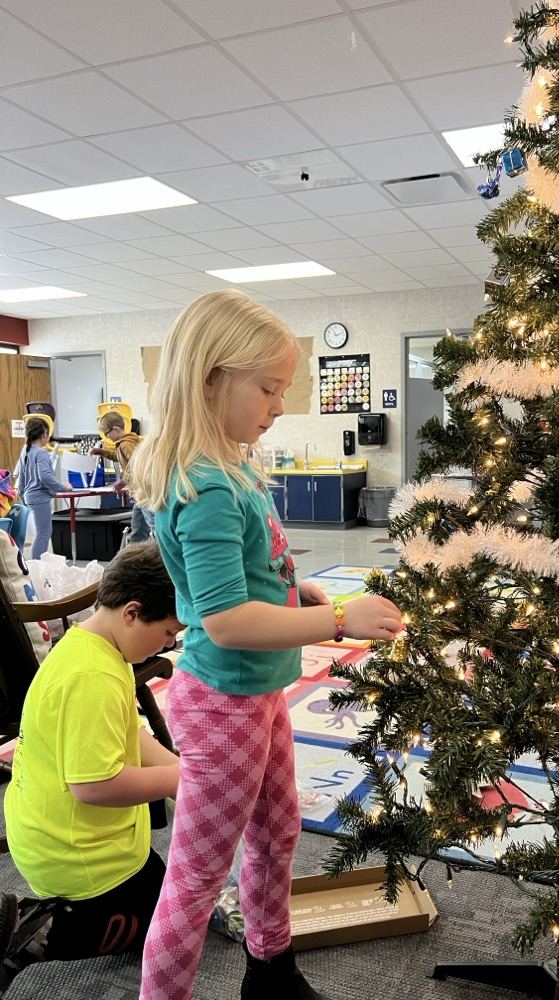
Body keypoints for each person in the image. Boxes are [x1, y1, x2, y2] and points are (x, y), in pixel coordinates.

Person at [128, 289, 403, 1000]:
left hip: (259, 695)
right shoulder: (211, 485)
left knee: (279, 833)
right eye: (269, 387)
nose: (280, 404)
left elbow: (258, 575)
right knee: (195, 877)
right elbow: (225, 621)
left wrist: (301, 592)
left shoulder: (238, 465)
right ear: (211, 378)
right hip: (222, 705)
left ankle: (270, 969)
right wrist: (338, 619)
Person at [0, 541, 182, 994]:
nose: (171, 644)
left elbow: (130, 735)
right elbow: (95, 785)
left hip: (65, 830)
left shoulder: (96, 647)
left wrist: (185, 771)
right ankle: (27, 927)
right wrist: (192, 780)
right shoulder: (93, 676)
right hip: (73, 851)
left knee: (169, 892)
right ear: (132, 613)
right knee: (161, 927)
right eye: (167, 634)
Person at [89, 412, 154, 543]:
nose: (107, 438)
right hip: (139, 495)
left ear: (116, 430)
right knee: (138, 530)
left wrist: (122, 481)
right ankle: (136, 556)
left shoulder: (126, 444)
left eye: (106, 434)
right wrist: (101, 452)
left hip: (142, 493)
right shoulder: (127, 442)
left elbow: (137, 465)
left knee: (155, 527)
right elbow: (118, 456)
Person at [16, 416, 72, 560]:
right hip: (39, 497)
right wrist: (63, 487)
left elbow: (21, 479)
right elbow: (45, 477)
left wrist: (23, 497)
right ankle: (37, 566)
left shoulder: (26, 451)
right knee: (43, 533)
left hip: (29, 496)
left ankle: (37, 564)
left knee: (41, 533)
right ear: (45, 434)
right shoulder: (41, 453)